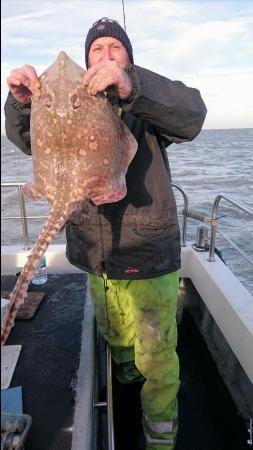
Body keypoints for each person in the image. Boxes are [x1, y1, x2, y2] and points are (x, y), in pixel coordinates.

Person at [4, 17, 207, 450]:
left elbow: (193, 115)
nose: (107, 54)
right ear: (87, 62)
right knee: (117, 342)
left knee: (156, 358)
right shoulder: (70, 99)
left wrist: (134, 88)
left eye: (116, 48)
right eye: (98, 49)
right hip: (97, 258)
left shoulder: (147, 110)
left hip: (148, 257)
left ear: (128, 60)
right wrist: (22, 104)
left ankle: (160, 438)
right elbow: (29, 141)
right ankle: (126, 393)